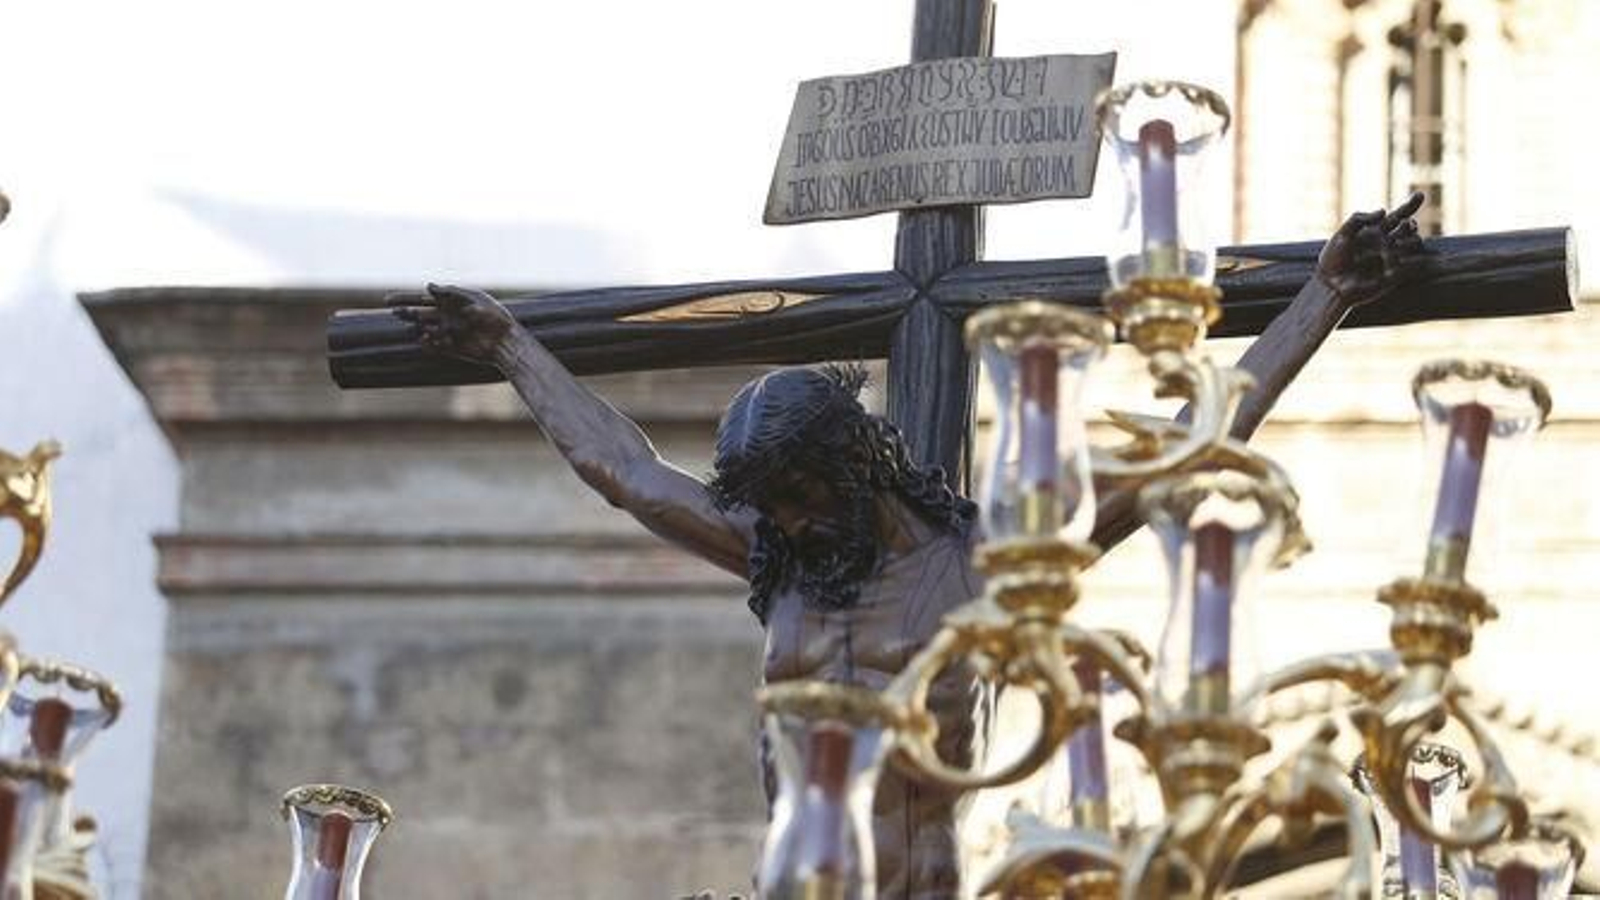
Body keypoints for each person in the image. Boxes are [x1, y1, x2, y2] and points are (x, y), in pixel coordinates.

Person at [391, 193, 1426, 899]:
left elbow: (1200, 445)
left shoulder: (992, 562)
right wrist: (507, 346)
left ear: (855, 469)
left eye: (797, 498)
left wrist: (1324, 292)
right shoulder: (777, 558)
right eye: (770, 506)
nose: (783, 524)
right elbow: (623, 470)